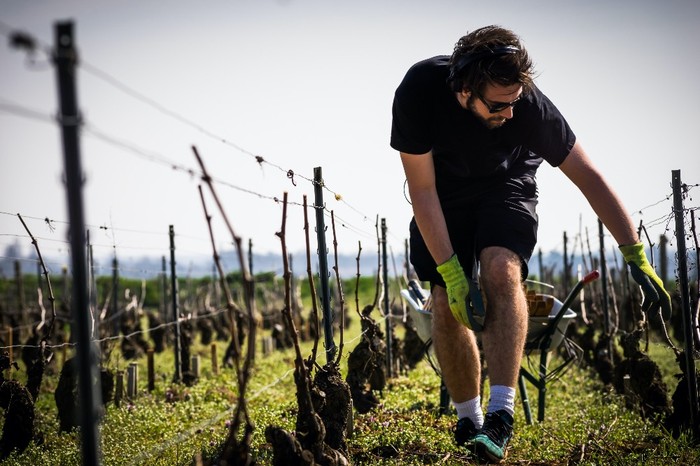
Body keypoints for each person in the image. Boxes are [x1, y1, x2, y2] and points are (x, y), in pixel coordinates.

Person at [390, 25, 671, 463]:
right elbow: (422, 191)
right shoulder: (419, 92)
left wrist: (634, 252)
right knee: (445, 300)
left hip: (508, 183)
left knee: (502, 268)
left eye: (516, 100)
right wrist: (450, 272)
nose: (510, 112)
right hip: (443, 192)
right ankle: (470, 417)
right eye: (498, 105)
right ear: (464, 91)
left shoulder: (530, 108)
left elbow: (589, 176)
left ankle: (501, 416)